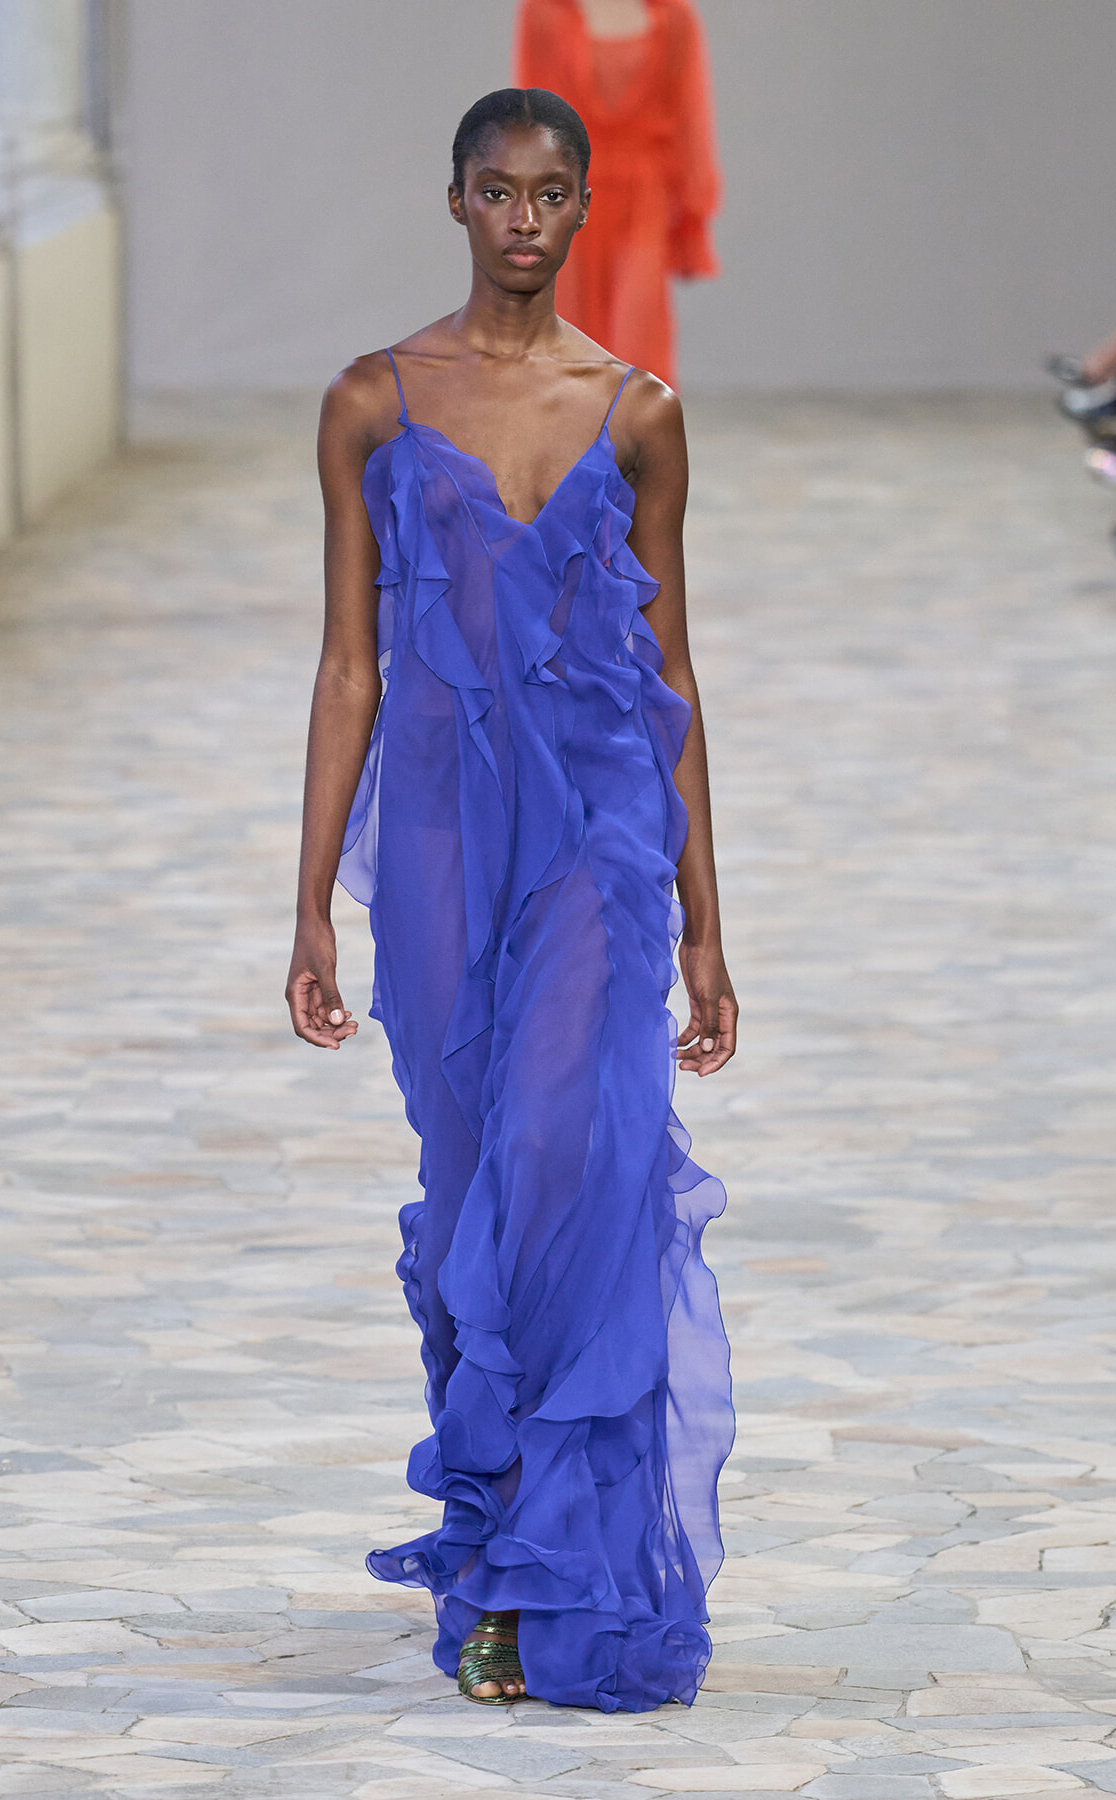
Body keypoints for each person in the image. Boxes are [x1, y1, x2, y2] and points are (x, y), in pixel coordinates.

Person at [286, 86, 736, 1714]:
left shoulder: (640, 416)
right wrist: (307, 906)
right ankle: (492, 1559)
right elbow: (349, 663)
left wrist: (704, 926)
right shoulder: (369, 403)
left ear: (584, 207)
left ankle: (557, 1568)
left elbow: (671, 675)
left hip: (598, 847)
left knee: (570, 1165)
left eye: (552, 193)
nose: (526, 220)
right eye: (499, 191)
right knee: (476, 1179)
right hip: (435, 854)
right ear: (457, 202)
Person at [515, 0, 722, 390]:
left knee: (639, 339)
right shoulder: (542, 12)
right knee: (564, 333)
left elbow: (691, 118)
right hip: (567, 192)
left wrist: (694, 212)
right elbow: (532, 114)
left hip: (644, 195)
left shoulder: (675, 19)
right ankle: (563, 443)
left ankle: (638, 446)